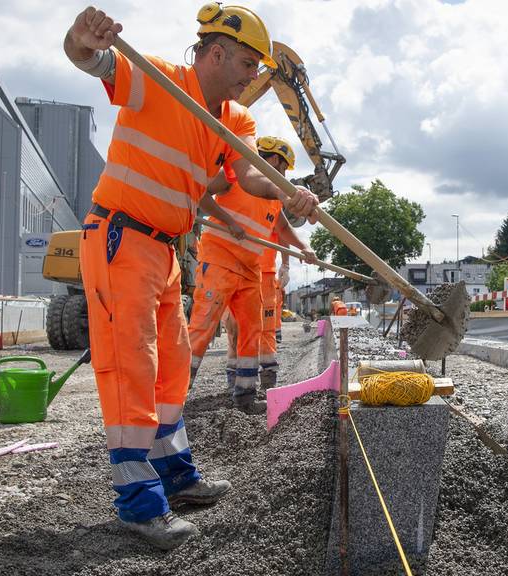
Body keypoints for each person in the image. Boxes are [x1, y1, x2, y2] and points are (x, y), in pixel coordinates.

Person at [64, 4, 319, 549]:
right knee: (130, 365)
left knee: (172, 367)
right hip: (119, 236)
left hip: (164, 250)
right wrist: (82, 38)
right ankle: (138, 504)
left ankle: (174, 472)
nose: (256, 76)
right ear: (217, 53)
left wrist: (287, 193)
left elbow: (248, 173)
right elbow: (88, 58)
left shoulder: (233, 118)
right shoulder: (154, 79)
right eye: (250, 63)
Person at [191, 136, 313, 399]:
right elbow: (199, 192)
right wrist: (227, 221)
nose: (282, 175)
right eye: (281, 168)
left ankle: (245, 394)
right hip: (219, 259)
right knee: (203, 325)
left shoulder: (272, 196)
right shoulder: (234, 175)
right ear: (271, 159)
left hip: (249, 267)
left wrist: (303, 247)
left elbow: (282, 228)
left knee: (251, 329)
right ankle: (173, 394)